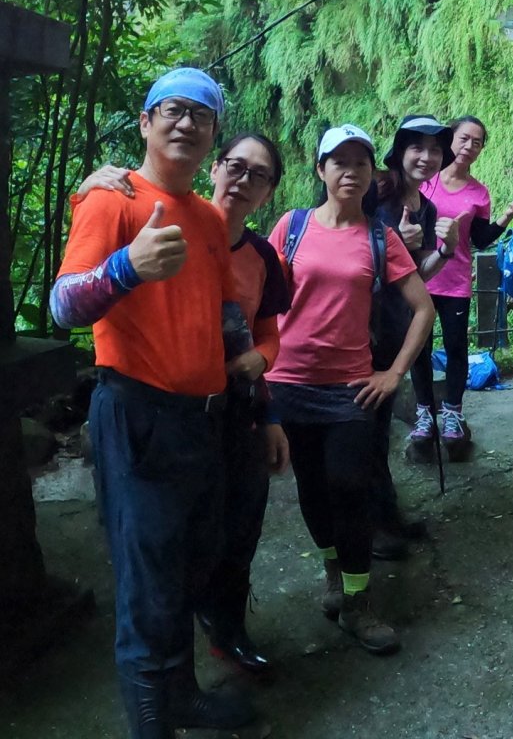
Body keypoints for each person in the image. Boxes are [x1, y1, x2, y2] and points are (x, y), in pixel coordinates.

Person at [50, 67, 256, 738]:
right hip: (136, 416)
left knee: (191, 568)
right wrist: (125, 267)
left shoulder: (205, 216)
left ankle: (182, 699)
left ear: (213, 137)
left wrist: (251, 369)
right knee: (147, 586)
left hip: (203, 421)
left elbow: (224, 308)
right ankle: (152, 728)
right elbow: (61, 307)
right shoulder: (110, 201)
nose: (187, 123)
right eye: (172, 109)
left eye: (202, 115)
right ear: (145, 122)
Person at [76, 133, 292, 676]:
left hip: (237, 407)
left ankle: (227, 632)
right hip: (162, 410)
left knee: (234, 529)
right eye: (236, 167)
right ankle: (173, 671)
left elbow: (268, 333)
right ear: (213, 167)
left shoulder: (263, 255)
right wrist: (89, 192)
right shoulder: (155, 213)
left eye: (258, 175)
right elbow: (85, 281)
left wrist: (262, 376)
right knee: (172, 549)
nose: (243, 181)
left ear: (268, 193)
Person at [265, 125, 435, 655]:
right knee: (312, 491)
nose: (349, 171)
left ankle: (359, 603)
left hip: (350, 389)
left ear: (370, 174)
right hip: (287, 384)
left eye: (359, 163)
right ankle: (334, 575)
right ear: (320, 171)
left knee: (350, 488)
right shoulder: (290, 228)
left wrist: (394, 373)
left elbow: (424, 308)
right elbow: (258, 301)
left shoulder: (378, 238)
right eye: (337, 162)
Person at [369, 115, 460, 560]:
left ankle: (386, 519)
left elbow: (417, 275)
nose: (426, 157)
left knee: (379, 426)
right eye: (417, 147)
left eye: (435, 150)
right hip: (361, 327)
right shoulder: (375, 188)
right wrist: (391, 244)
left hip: (395, 326)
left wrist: (445, 249)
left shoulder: (425, 207)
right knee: (363, 430)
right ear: (400, 150)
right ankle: (372, 528)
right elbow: (343, 242)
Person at [408, 116, 513, 456]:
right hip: (419, 280)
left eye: (477, 142)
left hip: (456, 281)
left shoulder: (478, 193)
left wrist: (506, 215)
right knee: (419, 350)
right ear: (449, 140)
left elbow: (480, 238)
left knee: (457, 348)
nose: (469, 147)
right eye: (464, 138)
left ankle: (452, 415)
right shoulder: (423, 182)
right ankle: (423, 413)